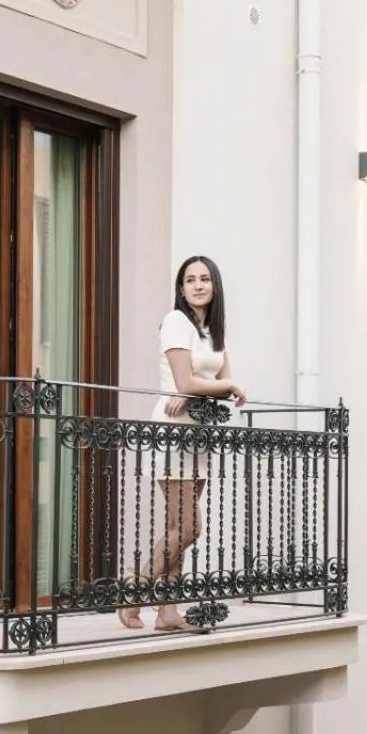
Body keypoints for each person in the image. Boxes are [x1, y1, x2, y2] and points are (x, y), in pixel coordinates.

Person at [118, 255, 246, 631]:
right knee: (190, 527)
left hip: (201, 434)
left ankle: (168, 611)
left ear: (215, 286)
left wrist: (202, 392)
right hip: (173, 431)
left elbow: (218, 389)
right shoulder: (176, 322)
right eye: (190, 280)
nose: (198, 285)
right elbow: (188, 381)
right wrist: (212, 388)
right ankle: (135, 591)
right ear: (181, 288)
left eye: (205, 278)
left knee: (178, 524)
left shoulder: (214, 332)